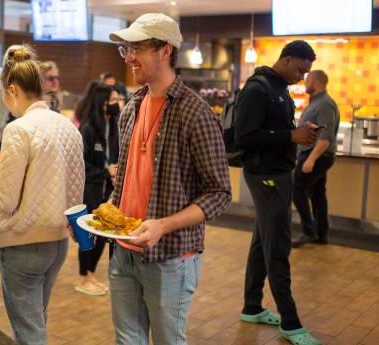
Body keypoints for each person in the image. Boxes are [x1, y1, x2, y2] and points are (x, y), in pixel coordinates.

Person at [107, 13, 231, 345]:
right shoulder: (132, 107)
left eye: (138, 48)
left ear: (165, 50)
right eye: (126, 49)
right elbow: (127, 180)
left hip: (171, 257)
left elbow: (219, 193)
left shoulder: (196, 112)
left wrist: (162, 225)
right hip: (123, 250)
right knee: (127, 340)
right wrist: (103, 214)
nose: (129, 57)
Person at [0, 45, 84, 345]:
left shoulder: (18, 129)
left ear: (12, 90)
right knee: (37, 322)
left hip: (22, 243)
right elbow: (75, 190)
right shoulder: (69, 128)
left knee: (28, 332)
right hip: (57, 243)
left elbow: (6, 200)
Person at [235, 40, 322, 345]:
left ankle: (252, 306)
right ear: (285, 60)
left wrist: (297, 133)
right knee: (279, 248)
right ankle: (291, 323)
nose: (302, 76)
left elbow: (274, 131)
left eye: (306, 72)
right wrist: (290, 135)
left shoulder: (280, 88)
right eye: (299, 69)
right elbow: (245, 136)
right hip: (266, 177)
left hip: (278, 175)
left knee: (263, 241)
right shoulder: (258, 89)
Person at [75, 84, 120, 296]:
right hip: (90, 191)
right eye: (113, 100)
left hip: (107, 193)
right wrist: (105, 172)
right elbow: (79, 164)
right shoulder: (88, 129)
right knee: (88, 236)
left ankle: (91, 274)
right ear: (102, 103)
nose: (117, 105)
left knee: (103, 236)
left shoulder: (113, 128)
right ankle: (83, 278)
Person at [292, 70, 340, 248]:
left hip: (317, 155)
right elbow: (319, 129)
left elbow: (326, 137)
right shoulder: (317, 103)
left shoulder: (325, 104)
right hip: (315, 154)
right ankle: (321, 234)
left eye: (308, 80)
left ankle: (308, 231)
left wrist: (311, 159)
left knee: (296, 188)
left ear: (316, 82)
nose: (305, 83)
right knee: (318, 194)